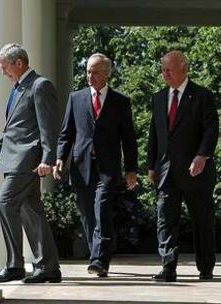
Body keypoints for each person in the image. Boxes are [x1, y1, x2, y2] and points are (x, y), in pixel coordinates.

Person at [54, 53, 138, 277]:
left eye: (95, 71)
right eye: (88, 71)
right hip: (81, 166)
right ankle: (97, 255)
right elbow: (66, 133)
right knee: (87, 214)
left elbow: (128, 138)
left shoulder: (121, 102)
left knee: (101, 209)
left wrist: (131, 169)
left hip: (107, 167)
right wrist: (60, 158)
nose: (90, 75)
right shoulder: (76, 98)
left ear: (107, 73)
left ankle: (100, 259)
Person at [147, 50, 219, 282]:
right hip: (166, 172)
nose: (164, 73)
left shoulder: (202, 96)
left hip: (196, 172)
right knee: (165, 220)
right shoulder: (158, 98)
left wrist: (202, 156)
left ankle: (206, 267)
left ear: (184, 68)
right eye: (163, 69)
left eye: (169, 69)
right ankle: (168, 267)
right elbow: (154, 135)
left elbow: (211, 129)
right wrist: (151, 166)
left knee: (202, 221)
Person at [0, 43, 61, 284]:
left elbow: (48, 126)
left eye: (4, 66)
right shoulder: (19, 87)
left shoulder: (40, 86)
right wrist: (0, 144)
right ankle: (48, 267)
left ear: (18, 63)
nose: (2, 71)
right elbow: (18, 123)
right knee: (31, 211)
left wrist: (47, 159)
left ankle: (15, 265)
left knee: (5, 203)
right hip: (14, 158)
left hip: (27, 160)